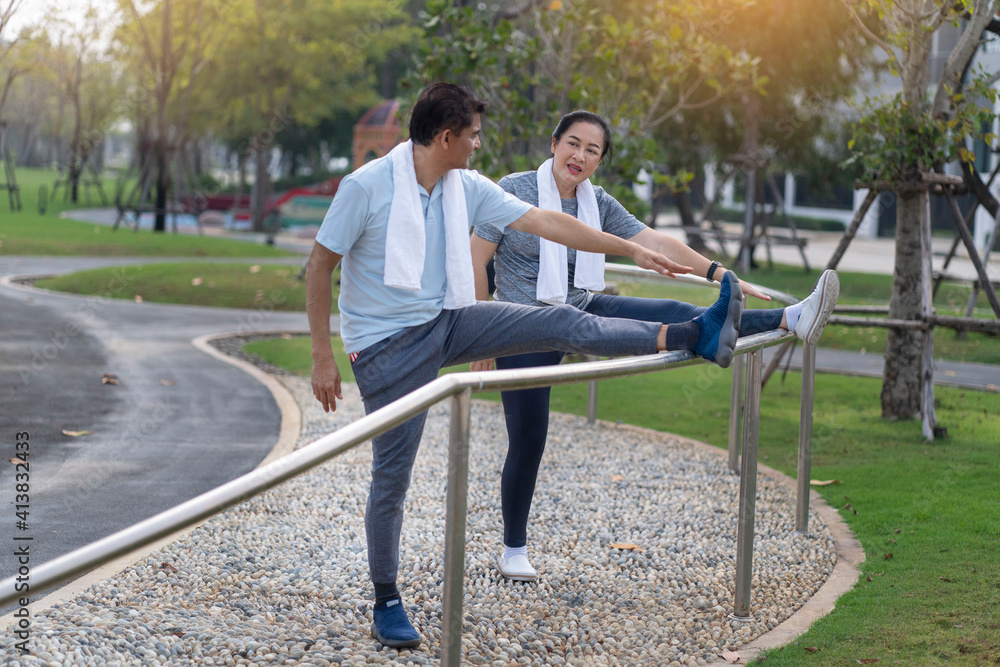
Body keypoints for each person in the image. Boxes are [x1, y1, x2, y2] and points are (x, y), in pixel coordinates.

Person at [306, 83, 749, 650]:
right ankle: (387, 598)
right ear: (446, 138)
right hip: (387, 346)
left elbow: (545, 222)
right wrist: (324, 354)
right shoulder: (365, 187)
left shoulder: (464, 186)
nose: (478, 145)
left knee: (559, 320)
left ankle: (691, 334)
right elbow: (321, 265)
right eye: (473, 136)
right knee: (393, 476)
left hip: (449, 318)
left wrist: (630, 248)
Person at [469, 110, 840, 583]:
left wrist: (721, 274)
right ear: (554, 144)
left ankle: (793, 317)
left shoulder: (596, 203)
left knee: (677, 311)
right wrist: (483, 325)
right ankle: (513, 548)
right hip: (521, 321)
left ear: (600, 160)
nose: (579, 156)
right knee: (528, 438)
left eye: (592, 150)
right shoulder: (513, 189)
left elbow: (654, 240)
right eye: (573, 144)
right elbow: (476, 259)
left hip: (579, 307)